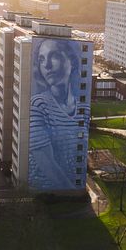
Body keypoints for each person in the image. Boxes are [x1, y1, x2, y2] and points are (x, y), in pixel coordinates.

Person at [29, 39, 88, 190]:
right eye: (42, 59)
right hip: (44, 195)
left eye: (53, 56)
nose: (46, 65)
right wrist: (74, 194)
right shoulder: (38, 105)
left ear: (72, 62)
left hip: (71, 191)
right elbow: (48, 166)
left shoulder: (83, 109)